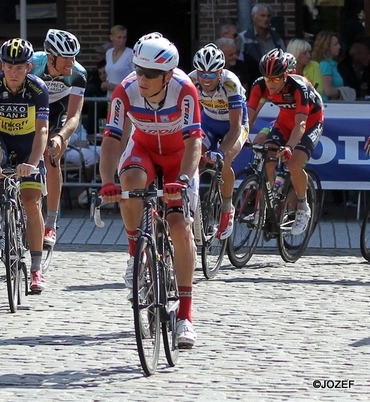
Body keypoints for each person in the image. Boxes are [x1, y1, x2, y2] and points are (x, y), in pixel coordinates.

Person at [99, 32, 202, 349]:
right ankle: (134, 252)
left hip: (178, 159)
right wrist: (107, 182)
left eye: (150, 74)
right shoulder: (125, 90)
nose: (141, 78)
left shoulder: (185, 90)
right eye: (138, 70)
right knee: (128, 182)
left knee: (179, 227)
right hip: (143, 149)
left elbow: (194, 141)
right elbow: (113, 140)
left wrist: (184, 179)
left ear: (168, 75)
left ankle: (185, 316)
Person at [0, 38, 50, 292]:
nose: (14, 72)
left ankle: (36, 269)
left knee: (32, 202)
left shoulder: (38, 89)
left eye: (20, 67)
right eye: (9, 66)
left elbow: (42, 129)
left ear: (29, 68)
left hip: (28, 144)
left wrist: (33, 162)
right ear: (1, 66)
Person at [247, 49, 324, 236]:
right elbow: (249, 116)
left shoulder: (299, 87)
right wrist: (239, 137)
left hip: (310, 123)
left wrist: (290, 147)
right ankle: (265, 206)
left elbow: (302, 123)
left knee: (294, 164)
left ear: (287, 75)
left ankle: (302, 206)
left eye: (275, 79)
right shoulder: (261, 86)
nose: (270, 83)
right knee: (268, 161)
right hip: (284, 122)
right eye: (267, 78)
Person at [30, 29, 87, 246]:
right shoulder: (33, 63)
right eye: (66, 57)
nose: (71, 62)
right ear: (51, 56)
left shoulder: (78, 73)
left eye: (74, 56)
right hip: (33, 108)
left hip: (58, 112)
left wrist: (61, 137)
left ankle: (51, 224)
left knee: (52, 158)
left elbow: (74, 116)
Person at [189, 43, 249, 240]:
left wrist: (221, 152)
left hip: (234, 126)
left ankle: (226, 208)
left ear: (220, 72)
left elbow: (235, 127)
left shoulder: (231, 83)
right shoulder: (190, 80)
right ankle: (190, 202)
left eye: (211, 74)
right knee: (193, 157)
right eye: (202, 74)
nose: (205, 79)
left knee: (225, 160)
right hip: (209, 123)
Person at [311, 30, 345, 101]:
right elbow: (328, 91)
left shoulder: (331, 64)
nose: (339, 46)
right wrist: (342, 93)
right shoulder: (325, 65)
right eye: (336, 44)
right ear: (327, 47)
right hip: (329, 105)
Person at [102, 24, 133, 98]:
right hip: (110, 97)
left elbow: (135, 78)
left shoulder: (130, 54)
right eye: (119, 37)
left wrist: (115, 86)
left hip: (125, 97)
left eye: (124, 37)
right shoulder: (108, 53)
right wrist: (105, 84)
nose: (122, 41)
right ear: (111, 37)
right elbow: (110, 74)